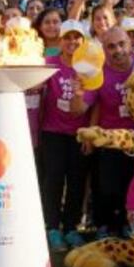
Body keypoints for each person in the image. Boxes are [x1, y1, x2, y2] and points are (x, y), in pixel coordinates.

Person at [39, 20, 95, 251]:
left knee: (76, 181)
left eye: (77, 38)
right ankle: (52, 227)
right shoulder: (48, 64)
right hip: (52, 133)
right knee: (52, 180)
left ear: (83, 42)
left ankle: (71, 227)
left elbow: (89, 107)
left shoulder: (90, 69)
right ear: (60, 41)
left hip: (79, 134)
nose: (72, 42)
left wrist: (90, 134)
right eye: (67, 38)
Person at [89, 26, 134, 239]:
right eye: (111, 46)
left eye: (121, 44)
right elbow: (90, 105)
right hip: (110, 138)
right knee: (108, 187)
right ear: (104, 50)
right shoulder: (99, 71)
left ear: (130, 44)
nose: (117, 50)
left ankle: (130, 224)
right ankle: (105, 226)